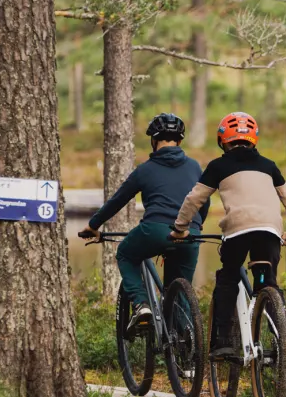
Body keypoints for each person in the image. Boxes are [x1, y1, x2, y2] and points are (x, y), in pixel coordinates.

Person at [169, 111, 286, 360]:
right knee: (267, 282)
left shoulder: (219, 166)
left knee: (228, 278)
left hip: (237, 231)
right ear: (254, 139)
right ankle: (281, 344)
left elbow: (194, 199)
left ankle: (223, 343)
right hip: (269, 231)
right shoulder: (269, 165)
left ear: (223, 141)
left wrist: (179, 228)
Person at [78, 112, 210, 331]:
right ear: (179, 140)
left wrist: (93, 225)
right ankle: (187, 349)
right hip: (190, 234)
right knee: (180, 294)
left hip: (154, 231)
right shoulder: (195, 167)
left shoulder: (145, 170)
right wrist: (195, 226)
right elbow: (204, 203)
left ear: (154, 140)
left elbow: (117, 201)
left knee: (126, 254)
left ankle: (142, 305)